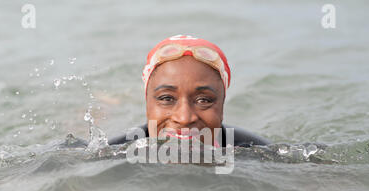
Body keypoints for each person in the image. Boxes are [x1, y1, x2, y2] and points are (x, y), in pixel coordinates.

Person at [110, 34, 270, 148]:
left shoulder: (252, 151)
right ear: (147, 103)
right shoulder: (115, 151)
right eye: (166, 98)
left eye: (203, 100)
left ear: (222, 105)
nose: (185, 118)